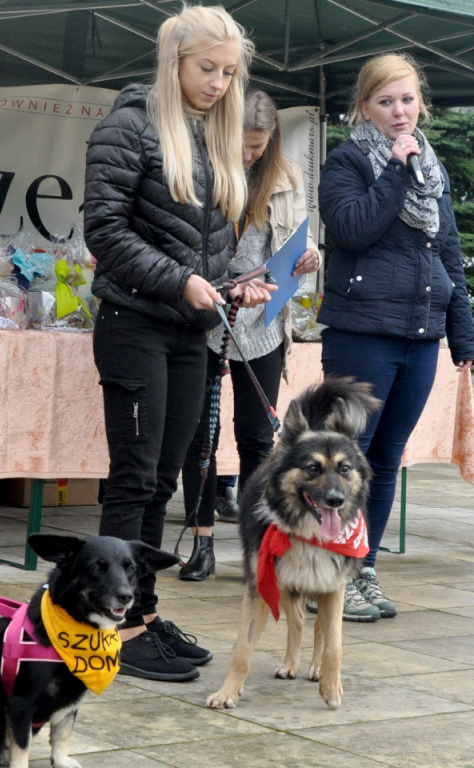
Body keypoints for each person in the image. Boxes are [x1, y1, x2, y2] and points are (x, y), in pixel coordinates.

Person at [83, 4, 273, 683]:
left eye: (228, 72)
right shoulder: (128, 127)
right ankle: (114, 626)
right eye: (207, 68)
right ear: (174, 63)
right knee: (134, 478)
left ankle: (143, 613)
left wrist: (231, 285)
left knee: (165, 479)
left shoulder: (213, 139)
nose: (219, 83)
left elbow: (203, 251)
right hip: (134, 324)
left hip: (191, 330)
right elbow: (104, 233)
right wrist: (184, 280)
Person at [318, 53, 474, 621]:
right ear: (365, 107)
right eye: (385, 101)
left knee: (384, 460)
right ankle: (327, 574)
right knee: (345, 459)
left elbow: (449, 253)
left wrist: (463, 336)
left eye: (407, 100)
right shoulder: (347, 161)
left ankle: (361, 570)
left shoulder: (432, 169)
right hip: (363, 331)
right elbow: (351, 229)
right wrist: (392, 169)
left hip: (421, 333)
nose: (399, 111)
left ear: (421, 104)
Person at [179, 89, 321, 580]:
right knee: (201, 433)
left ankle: (260, 543)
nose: (249, 155)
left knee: (258, 435)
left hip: (262, 323)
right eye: (243, 145)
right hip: (208, 312)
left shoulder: (286, 176)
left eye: (259, 148)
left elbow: (299, 239)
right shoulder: (201, 168)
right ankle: (200, 543)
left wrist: (310, 257)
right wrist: (229, 286)